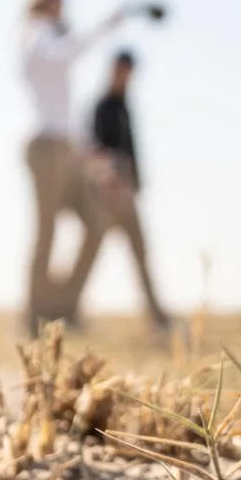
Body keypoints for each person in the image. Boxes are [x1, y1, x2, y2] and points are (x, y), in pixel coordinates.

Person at [19, 0, 126, 337]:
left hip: (68, 148)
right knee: (46, 231)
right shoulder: (36, 33)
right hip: (46, 147)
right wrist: (104, 25)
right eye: (54, 0)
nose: (59, 6)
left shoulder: (56, 37)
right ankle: (34, 316)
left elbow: (67, 107)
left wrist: (91, 155)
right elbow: (62, 56)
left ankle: (63, 307)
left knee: (97, 223)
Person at [61, 49, 171, 332]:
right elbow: (93, 148)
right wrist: (107, 178)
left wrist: (136, 182)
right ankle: (66, 312)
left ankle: (157, 318)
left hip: (127, 193)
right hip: (105, 193)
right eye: (122, 71)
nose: (125, 77)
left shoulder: (125, 106)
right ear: (113, 70)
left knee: (141, 253)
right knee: (91, 251)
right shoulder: (102, 106)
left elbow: (131, 150)